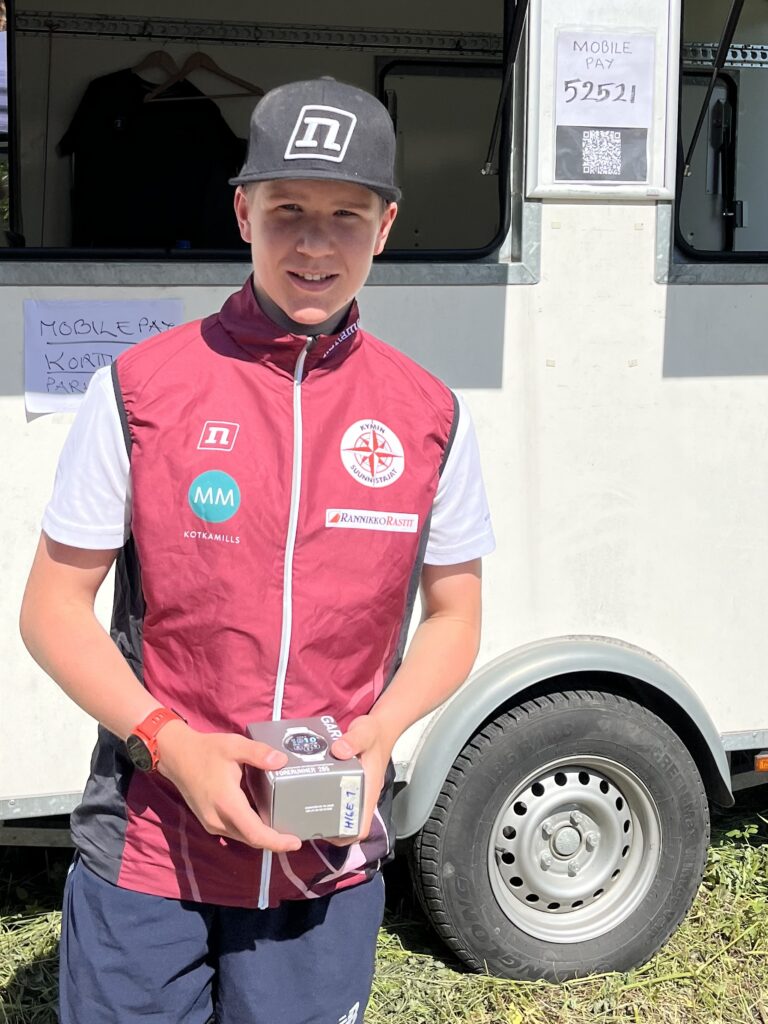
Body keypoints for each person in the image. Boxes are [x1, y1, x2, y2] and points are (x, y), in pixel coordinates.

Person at [20, 77, 495, 1024]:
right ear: (243, 213)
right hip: (150, 849)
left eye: (345, 215)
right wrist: (172, 746)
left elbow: (455, 614)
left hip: (324, 855)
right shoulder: (138, 389)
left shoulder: (431, 416)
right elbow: (52, 609)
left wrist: (384, 729)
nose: (314, 244)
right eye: (287, 211)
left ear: (385, 226)